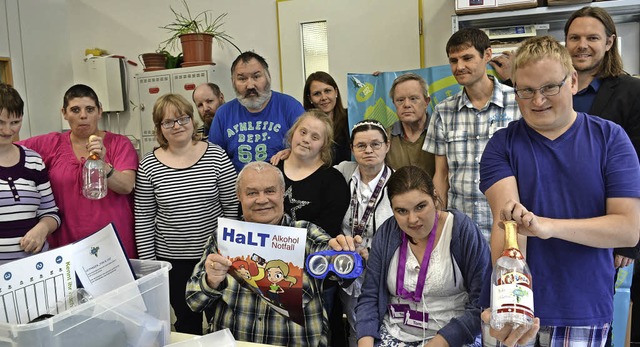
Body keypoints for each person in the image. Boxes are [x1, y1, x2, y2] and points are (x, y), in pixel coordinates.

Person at [479, 36, 640, 346]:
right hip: (517, 309)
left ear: (573, 82)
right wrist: (512, 304)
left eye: (549, 87)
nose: (538, 101)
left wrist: (546, 226)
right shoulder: (502, 145)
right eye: (526, 91)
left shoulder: (610, 139)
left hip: (582, 308)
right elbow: (508, 227)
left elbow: (628, 229)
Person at [185, 161, 363, 346]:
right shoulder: (223, 237)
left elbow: (337, 268)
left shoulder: (306, 234)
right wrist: (210, 281)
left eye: (270, 191)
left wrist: (345, 255)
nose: (262, 200)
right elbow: (194, 302)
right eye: (252, 193)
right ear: (239, 196)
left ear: (282, 193)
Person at [134, 93, 238, 335]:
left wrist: (228, 251)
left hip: (214, 258)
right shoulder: (149, 165)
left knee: (220, 322)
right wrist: (152, 268)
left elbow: (232, 209)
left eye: (183, 118)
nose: (177, 126)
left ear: (193, 121)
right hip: (172, 261)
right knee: (186, 323)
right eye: (168, 122)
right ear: (160, 128)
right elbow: (144, 220)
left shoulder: (216, 156)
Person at [355, 165, 490, 347]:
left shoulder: (461, 230)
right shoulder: (386, 234)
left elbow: (482, 302)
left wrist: (440, 342)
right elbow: (369, 298)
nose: (412, 219)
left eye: (420, 207)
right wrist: (365, 343)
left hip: (453, 337)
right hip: (395, 332)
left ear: (435, 198)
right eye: (401, 211)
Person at [423, 28, 521, 241]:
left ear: (487, 55)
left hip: (510, 228)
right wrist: (438, 222)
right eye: (453, 60)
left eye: (467, 58)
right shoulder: (443, 111)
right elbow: (441, 174)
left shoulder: (518, 103)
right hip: (461, 230)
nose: (459, 67)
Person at [19, 84, 138, 258]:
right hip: (68, 246)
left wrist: (102, 163)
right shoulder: (50, 144)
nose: (83, 115)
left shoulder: (119, 144)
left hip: (115, 243)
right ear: (64, 113)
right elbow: (10, 150)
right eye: (75, 110)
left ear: (99, 111)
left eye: (89, 109)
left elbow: (126, 186)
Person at [334, 119, 394, 347]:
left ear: (387, 146)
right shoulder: (341, 172)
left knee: (385, 325)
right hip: (348, 269)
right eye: (361, 145)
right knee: (355, 326)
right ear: (352, 148)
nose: (368, 150)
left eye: (375, 144)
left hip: (384, 268)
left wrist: (376, 253)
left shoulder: (398, 181)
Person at [208, 51, 305, 172]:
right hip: (237, 187)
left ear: (268, 77)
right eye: (242, 79)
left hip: (284, 185)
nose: (250, 86)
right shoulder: (223, 114)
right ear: (233, 82)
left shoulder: (290, 107)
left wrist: (293, 153)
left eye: (256, 76)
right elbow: (213, 161)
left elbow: (310, 149)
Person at [0, 83, 59, 264]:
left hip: (35, 266)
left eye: (15, 123)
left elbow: (51, 213)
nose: (8, 130)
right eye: (0, 122)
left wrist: (42, 228)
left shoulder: (33, 161)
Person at [276, 109, 350, 237]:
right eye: (303, 132)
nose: (306, 139)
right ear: (293, 133)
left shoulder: (334, 182)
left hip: (309, 253)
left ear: (324, 144)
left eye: (315, 137)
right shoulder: (270, 168)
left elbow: (326, 233)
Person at [385, 73, 435, 178]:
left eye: (413, 98)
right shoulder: (384, 138)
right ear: (394, 103)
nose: (406, 105)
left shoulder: (440, 132)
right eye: (400, 100)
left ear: (426, 102)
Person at [304, 71, 350, 165]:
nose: (323, 97)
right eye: (317, 94)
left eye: (327, 91)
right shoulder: (304, 125)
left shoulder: (352, 117)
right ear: (310, 99)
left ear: (336, 92)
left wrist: (379, 80)